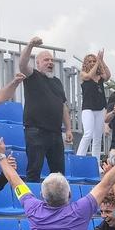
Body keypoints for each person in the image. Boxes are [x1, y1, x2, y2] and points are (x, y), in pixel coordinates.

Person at [18, 37, 72, 181]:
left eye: (51, 60)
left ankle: (59, 202)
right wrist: (30, 45)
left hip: (55, 133)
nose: (50, 63)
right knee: (34, 170)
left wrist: (68, 129)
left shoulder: (57, 82)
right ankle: (32, 202)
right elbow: (22, 65)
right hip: (36, 131)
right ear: (38, 63)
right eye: (46, 60)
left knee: (59, 174)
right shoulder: (32, 76)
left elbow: (63, 106)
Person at [77, 50, 111, 160]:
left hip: (100, 108)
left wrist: (101, 60)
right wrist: (97, 63)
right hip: (88, 108)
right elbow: (88, 77)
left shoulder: (100, 77)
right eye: (90, 61)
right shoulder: (83, 74)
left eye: (94, 61)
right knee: (88, 134)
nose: (92, 62)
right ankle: (79, 158)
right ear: (86, 63)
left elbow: (108, 75)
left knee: (97, 138)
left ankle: (95, 163)